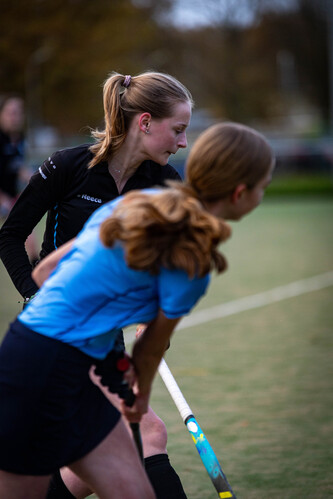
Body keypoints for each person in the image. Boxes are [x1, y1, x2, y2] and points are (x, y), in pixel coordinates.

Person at [0, 121, 274, 499]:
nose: (262, 194)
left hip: (46, 354)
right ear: (241, 193)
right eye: (263, 186)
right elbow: (148, 351)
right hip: (44, 370)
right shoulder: (192, 262)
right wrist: (137, 396)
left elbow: (47, 271)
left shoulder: (128, 204)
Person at [0, 71, 192, 499]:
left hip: (106, 343)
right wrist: (36, 295)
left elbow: (165, 266)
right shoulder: (69, 166)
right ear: (145, 122)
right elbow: (10, 236)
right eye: (177, 130)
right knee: (149, 433)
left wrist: (151, 321)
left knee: (89, 463)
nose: (182, 142)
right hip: (54, 333)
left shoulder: (165, 184)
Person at [0, 95, 38, 260]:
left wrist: (41, 182)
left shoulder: (19, 140)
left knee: (30, 237)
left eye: (18, 113)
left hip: (10, 197)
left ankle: (36, 274)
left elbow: (21, 169)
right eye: (11, 113)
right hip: (3, 198)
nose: (15, 117)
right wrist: (3, 200)